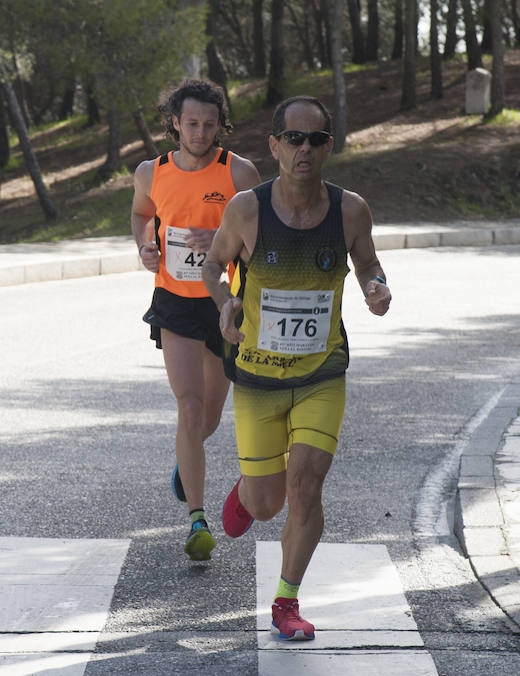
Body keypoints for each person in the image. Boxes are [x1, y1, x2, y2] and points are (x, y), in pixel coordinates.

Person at [202, 95, 392, 640]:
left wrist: (376, 288)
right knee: (267, 504)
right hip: (258, 378)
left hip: (320, 376)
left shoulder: (350, 210)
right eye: (293, 139)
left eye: (315, 139)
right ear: (274, 146)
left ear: (328, 146)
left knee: (306, 486)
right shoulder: (246, 209)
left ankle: (287, 601)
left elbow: (369, 262)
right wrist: (225, 303)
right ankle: (246, 491)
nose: (304, 148)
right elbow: (214, 265)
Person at [130, 80, 260, 561]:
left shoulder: (239, 173)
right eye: (191, 123)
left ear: (219, 124)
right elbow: (142, 213)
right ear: (175, 123)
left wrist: (220, 240)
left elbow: (261, 238)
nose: (200, 132)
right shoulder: (151, 172)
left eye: (208, 124)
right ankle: (197, 521)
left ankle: (188, 459)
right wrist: (145, 244)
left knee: (206, 418)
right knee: (188, 407)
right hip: (174, 301)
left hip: (222, 302)